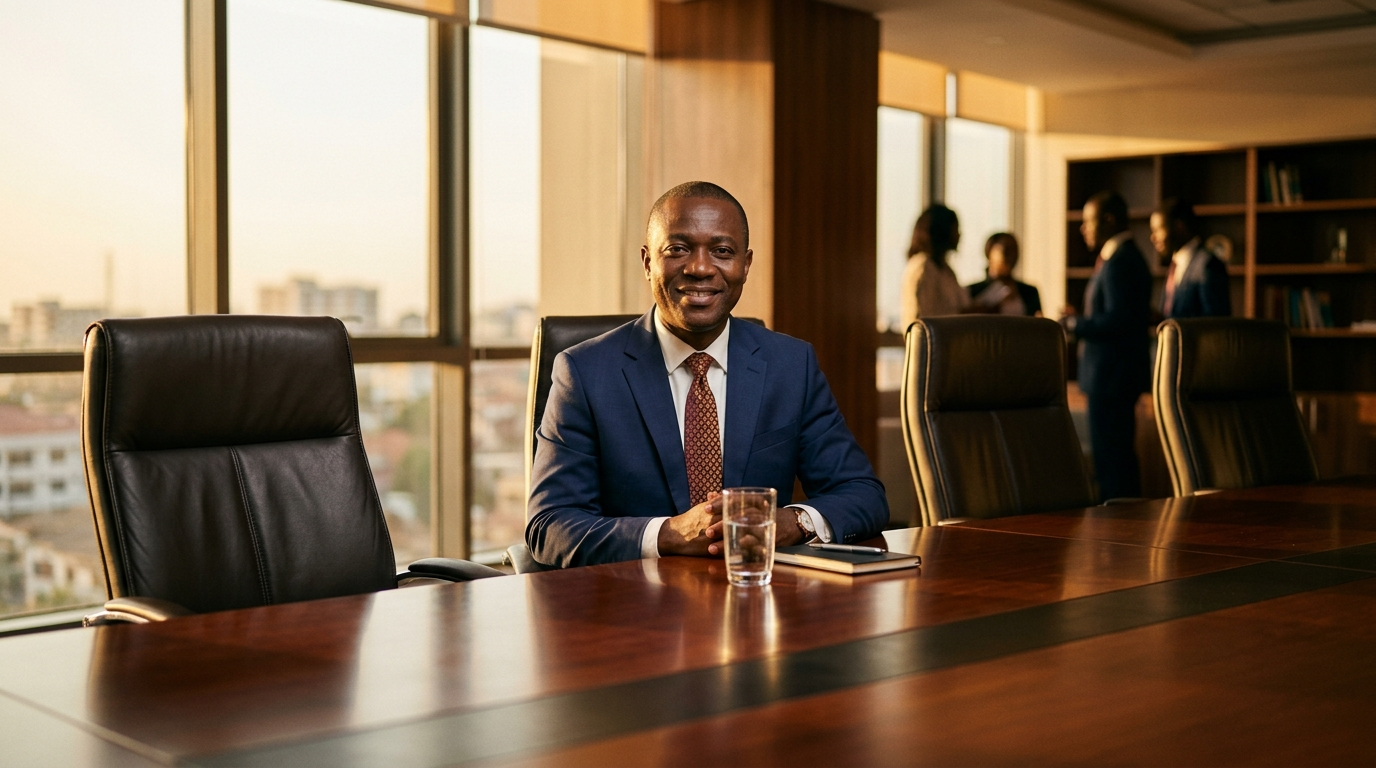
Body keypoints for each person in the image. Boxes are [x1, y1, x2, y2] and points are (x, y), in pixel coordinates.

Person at [526, 181, 888, 568]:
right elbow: (549, 526)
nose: (700, 268)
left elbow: (862, 494)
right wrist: (670, 534)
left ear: (745, 265)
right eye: (678, 250)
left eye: (722, 251)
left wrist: (793, 522)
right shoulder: (584, 373)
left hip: (760, 601)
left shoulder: (791, 365)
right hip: (635, 610)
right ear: (648, 262)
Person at [1060, 191, 1152, 501]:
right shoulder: (1119, 258)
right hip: (1113, 378)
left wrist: (1073, 325)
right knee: (1115, 461)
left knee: (1113, 466)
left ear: (1109, 220)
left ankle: (1119, 534)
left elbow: (1119, 320)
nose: (1083, 228)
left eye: (1088, 221)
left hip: (1111, 379)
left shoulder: (1121, 260)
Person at [1150, 198, 1231, 319]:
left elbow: (1215, 323)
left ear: (1179, 226)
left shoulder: (1207, 265)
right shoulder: (1175, 264)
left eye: (1158, 230)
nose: (1153, 237)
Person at [900, 204, 969, 326]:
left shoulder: (945, 269)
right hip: (931, 343)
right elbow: (924, 318)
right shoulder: (923, 267)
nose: (959, 234)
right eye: (955, 229)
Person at [966, 232, 1042, 316]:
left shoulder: (1029, 292)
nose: (1012, 256)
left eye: (1015, 251)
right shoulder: (972, 291)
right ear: (990, 251)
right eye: (1006, 250)